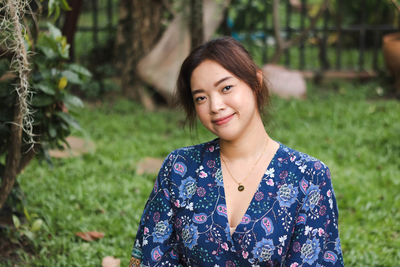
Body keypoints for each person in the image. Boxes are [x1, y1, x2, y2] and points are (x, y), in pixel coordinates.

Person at [129, 37, 343, 267]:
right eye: (201, 98)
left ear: (256, 82)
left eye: (226, 88)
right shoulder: (180, 168)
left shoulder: (310, 176)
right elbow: (153, 256)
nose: (215, 106)